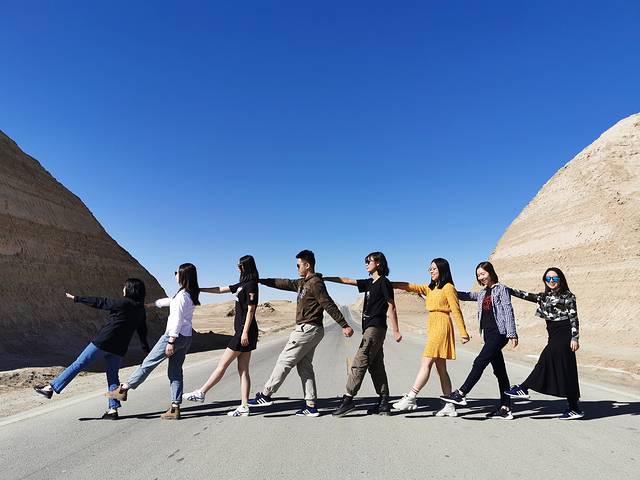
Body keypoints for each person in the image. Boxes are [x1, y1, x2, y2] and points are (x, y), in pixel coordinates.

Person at [248, 250, 354, 417]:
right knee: (304, 367)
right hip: (310, 329)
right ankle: (311, 406)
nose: (297, 268)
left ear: (307, 265)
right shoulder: (302, 283)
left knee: (284, 360)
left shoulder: (315, 283)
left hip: (308, 329)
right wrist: (261, 281)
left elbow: (327, 303)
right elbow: (283, 283)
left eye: (298, 265)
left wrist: (344, 324)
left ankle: (266, 394)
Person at [33, 279, 149, 420]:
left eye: (125, 287)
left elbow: (101, 302)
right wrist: (145, 346)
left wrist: (77, 298)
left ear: (131, 289)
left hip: (103, 342)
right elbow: (142, 330)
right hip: (119, 348)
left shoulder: (124, 303)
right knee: (113, 377)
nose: (123, 289)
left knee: (78, 364)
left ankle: (50, 388)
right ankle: (113, 410)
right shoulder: (140, 310)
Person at [106, 263, 200, 420]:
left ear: (183, 276)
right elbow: (170, 301)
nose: (175, 274)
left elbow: (177, 319)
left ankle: (123, 389)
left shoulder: (182, 297)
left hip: (174, 336)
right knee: (175, 372)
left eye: (177, 272)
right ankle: (175, 407)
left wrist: (171, 342)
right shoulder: (189, 294)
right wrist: (152, 304)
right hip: (186, 337)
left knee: (148, 364)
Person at [325, 251, 402, 417]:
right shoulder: (369, 283)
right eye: (365, 261)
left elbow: (392, 306)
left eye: (369, 261)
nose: (366, 264)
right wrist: (325, 278)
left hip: (375, 327)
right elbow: (347, 280)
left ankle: (348, 399)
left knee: (360, 361)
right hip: (370, 328)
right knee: (376, 365)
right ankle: (383, 402)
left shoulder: (383, 282)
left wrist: (396, 330)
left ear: (378, 263)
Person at [391, 257, 470, 417]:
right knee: (441, 368)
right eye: (430, 269)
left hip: (442, 325)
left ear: (442, 269)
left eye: (434, 268)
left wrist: (463, 333)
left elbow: (456, 310)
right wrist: (390, 283)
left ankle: (411, 397)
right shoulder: (430, 288)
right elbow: (410, 287)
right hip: (433, 325)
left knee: (426, 362)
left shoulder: (448, 287)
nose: (431, 271)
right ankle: (449, 405)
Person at [440, 262, 518, 419]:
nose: (481, 277)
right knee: (500, 371)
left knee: (480, 361)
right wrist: (449, 289)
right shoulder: (482, 293)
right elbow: (467, 296)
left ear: (491, 272)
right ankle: (505, 408)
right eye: (478, 275)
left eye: (483, 274)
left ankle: (461, 393)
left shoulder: (501, 289)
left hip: (500, 333)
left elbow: (508, 310)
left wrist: (512, 333)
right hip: (488, 334)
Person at [184, 255, 260, 417]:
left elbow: (251, 309)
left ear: (245, 267)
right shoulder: (242, 284)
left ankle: (201, 392)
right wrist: (200, 289)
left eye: (240, 265)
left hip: (244, 332)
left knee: (222, 365)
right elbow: (220, 290)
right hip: (243, 332)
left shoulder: (251, 285)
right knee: (243, 370)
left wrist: (244, 332)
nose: (237, 267)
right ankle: (244, 406)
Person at [504, 267, 584, 419]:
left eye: (555, 278)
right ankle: (574, 408)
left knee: (545, 359)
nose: (551, 281)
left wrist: (575, 338)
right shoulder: (544, 297)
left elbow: (574, 318)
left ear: (560, 279)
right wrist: (509, 290)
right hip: (553, 335)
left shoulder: (568, 296)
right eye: (548, 279)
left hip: (564, 334)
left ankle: (524, 387)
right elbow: (527, 295)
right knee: (567, 370)